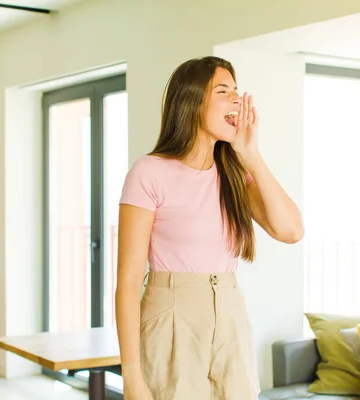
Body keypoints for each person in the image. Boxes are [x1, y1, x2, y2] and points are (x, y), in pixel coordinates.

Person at [115, 56, 304, 400]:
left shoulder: (235, 174)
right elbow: (128, 283)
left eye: (237, 89)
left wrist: (251, 154)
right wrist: (132, 377)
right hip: (171, 316)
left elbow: (290, 230)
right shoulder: (149, 172)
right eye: (223, 90)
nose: (237, 99)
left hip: (230, 315)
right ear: (191, 101)